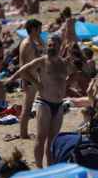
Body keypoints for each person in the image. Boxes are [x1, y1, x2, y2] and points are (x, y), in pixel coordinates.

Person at [7, 34, 67, 168]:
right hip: (44, 103)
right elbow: (23, 71)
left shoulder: (63, 63)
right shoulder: (42, 61)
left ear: (60, 46)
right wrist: (35, 83)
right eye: (49, 45)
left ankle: (51, 166)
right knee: (41, 138)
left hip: (59, 104)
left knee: (53, 140)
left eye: (54, 45)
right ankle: (39, 167)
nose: (51, 48)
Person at [17, 19, 44, 139]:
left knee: (28, 106)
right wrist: (35, 82)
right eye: (39, 29)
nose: (41, 31)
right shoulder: (27, 44)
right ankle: (23, 134)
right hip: (29, 79)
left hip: (32, 78)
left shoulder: (32, 42)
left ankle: (24, 133)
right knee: (27, 107)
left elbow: (43, 48)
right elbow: (23, 66)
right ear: (33, 29)